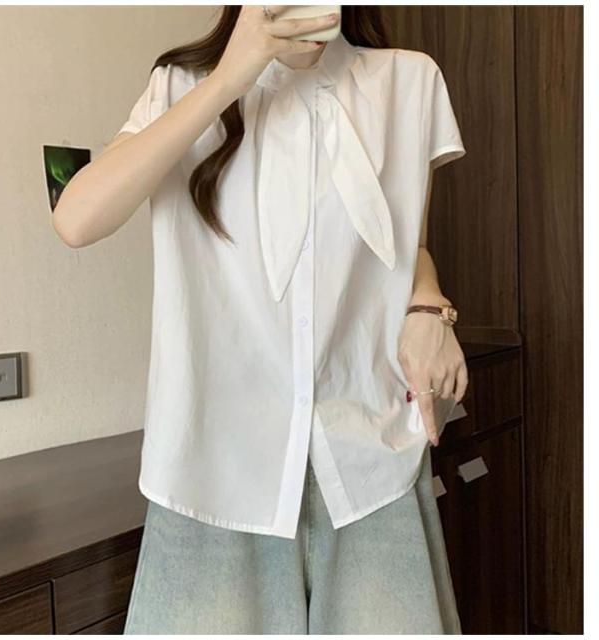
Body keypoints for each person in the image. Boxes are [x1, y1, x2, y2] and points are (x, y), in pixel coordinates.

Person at [52, 5, 468, 634]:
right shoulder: (180, 84)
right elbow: (77, 219)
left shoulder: (409, 81)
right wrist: (231, 76)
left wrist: (428, 307)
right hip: (213, 468)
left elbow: (407, 246)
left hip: (370, 456)